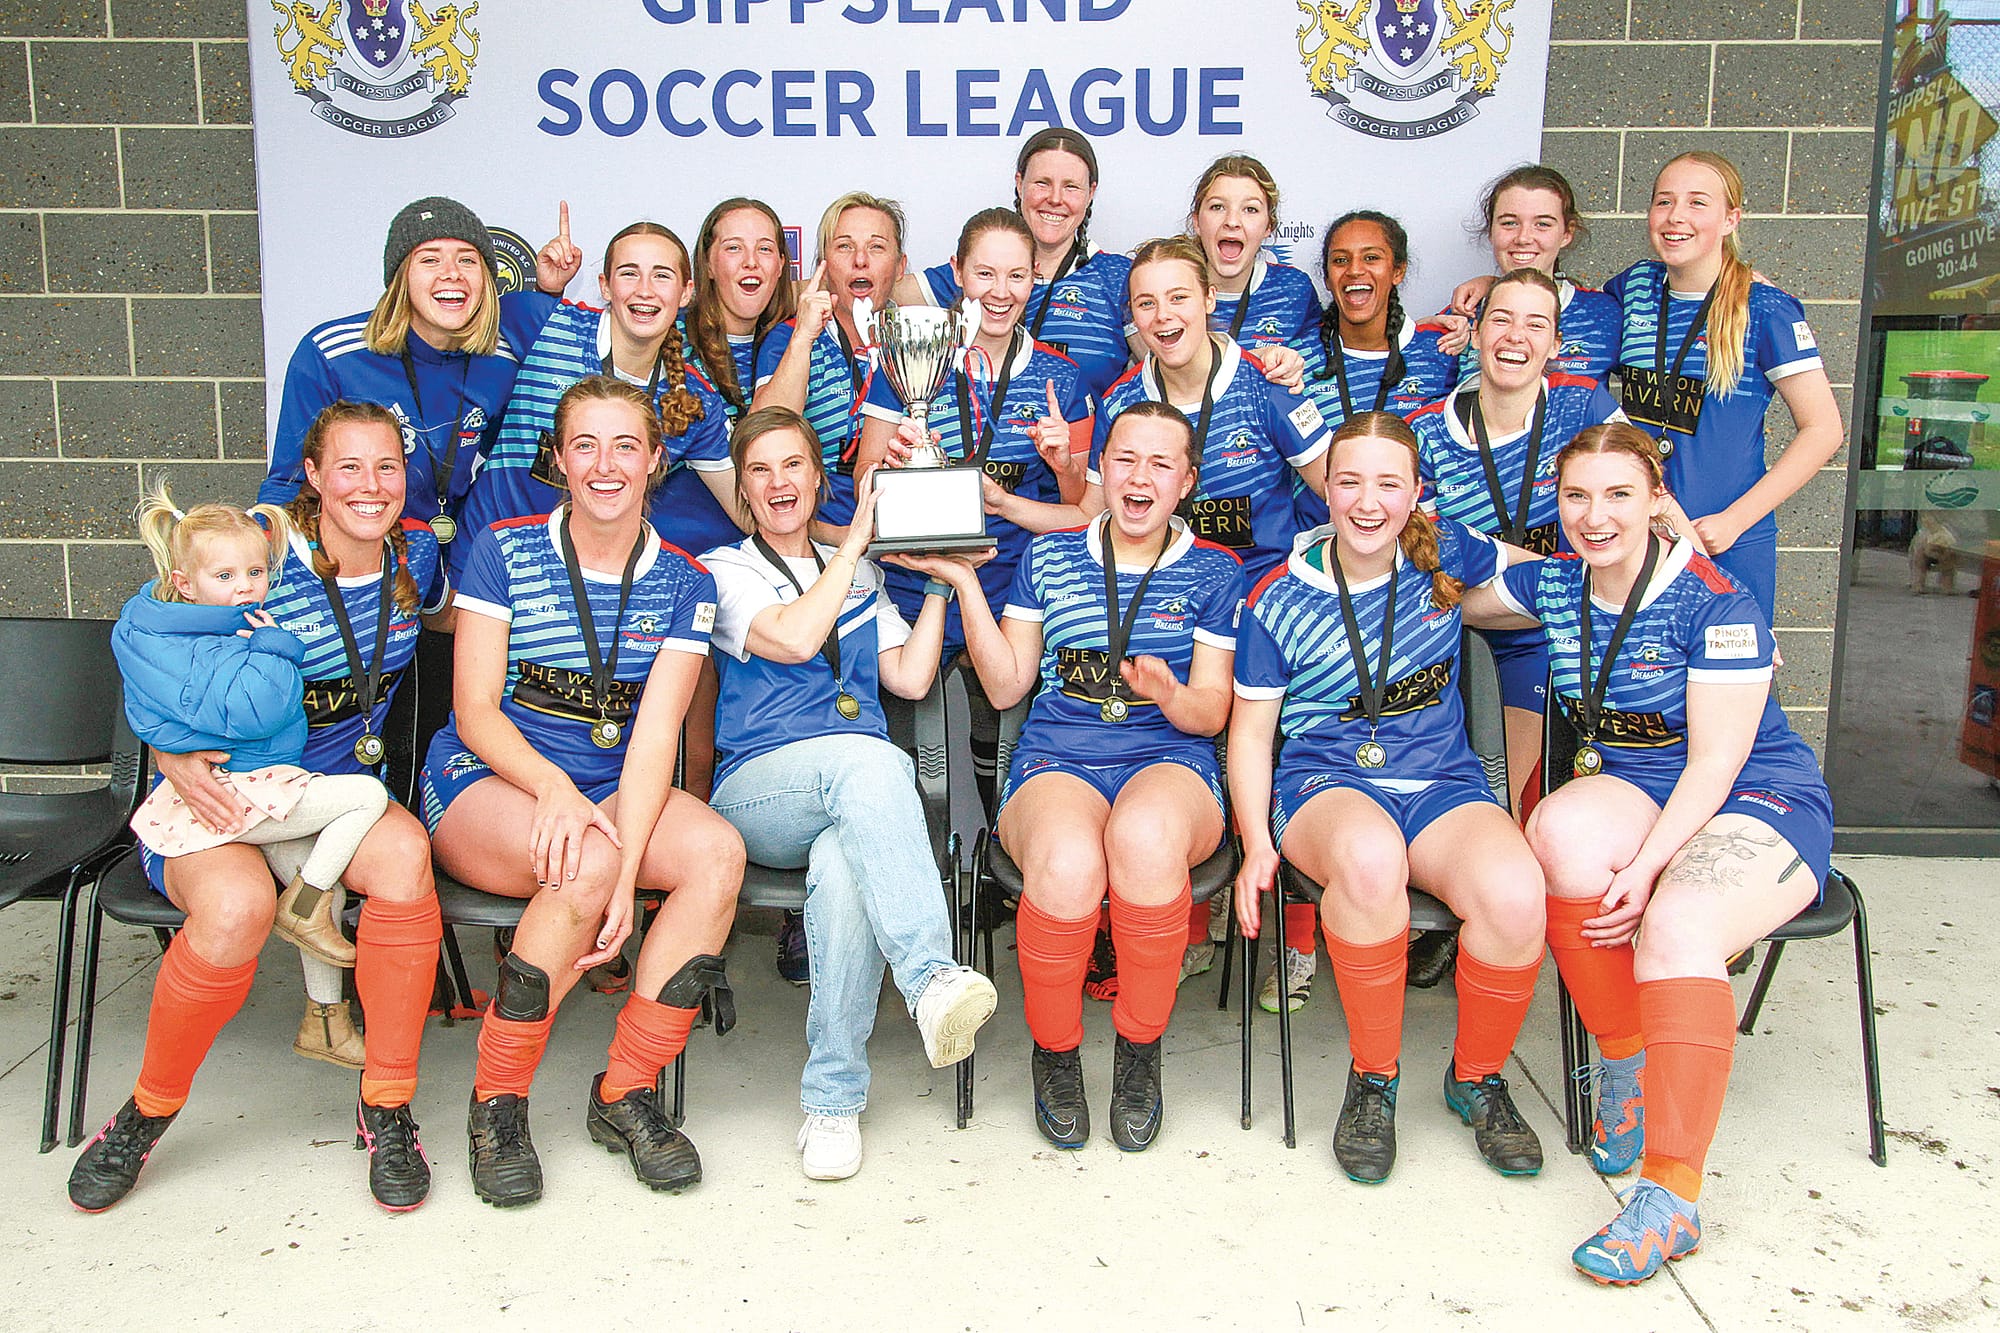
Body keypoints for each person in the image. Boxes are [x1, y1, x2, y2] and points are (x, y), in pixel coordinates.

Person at [1462, 421, 1832, 1284]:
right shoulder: (1558, 583)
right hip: (1643, 787)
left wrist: (1644, 867)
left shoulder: (1717, 603)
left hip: (1754, 795)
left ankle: (1670, 1200)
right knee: (1554, 835)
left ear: (1658, 498)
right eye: (1577, 496)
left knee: (1674, 926)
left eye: (1619, 495)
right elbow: (1463, 584)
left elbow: (1715, 763)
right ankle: (1624, 1056)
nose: (1596, 516)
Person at [70, 402, 448, 1213]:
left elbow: (470, 617)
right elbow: (150, 638)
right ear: (311, 475)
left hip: (326, 795)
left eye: (387, 466)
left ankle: (386, 1104)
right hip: (218, 787)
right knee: (237, 907)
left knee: (406, 857)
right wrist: (167, 748)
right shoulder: (263, 551)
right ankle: (146, 1110)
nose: (371, 485)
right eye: (348, 467)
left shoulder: (417, 552)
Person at [423, 376, 745, 1207]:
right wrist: (555, 788)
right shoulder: (503, 548)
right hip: (489, 777)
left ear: (656, 460)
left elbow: (655, 738)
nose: (606, 465)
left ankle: (626, 1090)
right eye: (586, 446)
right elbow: (475, 709)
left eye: (625, 446)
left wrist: (630, 877)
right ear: (560, 459)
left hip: (609, 787)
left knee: (715, 854)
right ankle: (497, 1102)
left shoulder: (685, 581)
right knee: (585, 861)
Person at [1231, 411, 1547, 1184]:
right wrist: (1255, 845)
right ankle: (1374, 1078)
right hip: (1325, 785)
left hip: (1441, 782)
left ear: (1416, 493)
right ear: (1326, 489)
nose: (1367, 502)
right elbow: (1249, 736)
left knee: (1515, 892)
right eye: (1349, 482)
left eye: (1387, 484)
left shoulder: (1445, 549)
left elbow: (1555, 577)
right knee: (1371, 862)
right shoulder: (1277, 594)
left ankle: (1476, 1076)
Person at [703, 406, 998, 1181]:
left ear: (816, 477)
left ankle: (832, 1101)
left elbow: (910, 676)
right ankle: (929, 975)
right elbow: (797, 636)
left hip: (851, 798)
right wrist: (859, 542)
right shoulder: (726, 570)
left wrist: (941, 581)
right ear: (743, 490)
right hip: (760, 791)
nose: (778, 482)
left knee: (843, 864)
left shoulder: (860, 575)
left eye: (792, 465)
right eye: (759, 470)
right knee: (873, 763)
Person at [954, 402, 1246, 1151]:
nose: (1139, 477)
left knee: (1143, 839)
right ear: (1101, 468)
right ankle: (1055, 1053)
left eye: (1160, 464)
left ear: (1186, 481)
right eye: (1125, 458)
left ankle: (1139, 1049)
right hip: (1059, 756)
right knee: (1068, 860)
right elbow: (1007, 687)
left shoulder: (1216, 570)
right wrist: (962, 583)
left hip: (1170, 758)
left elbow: (1212, 711)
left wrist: (1169, 693)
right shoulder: (1049, 557)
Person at [118, 484, 393, 1041]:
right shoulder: (203, 638)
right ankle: (302, 910)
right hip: (235, 789)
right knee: (366, 797)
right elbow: (256, 711)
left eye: (255, 572)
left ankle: (326, 1023)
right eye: (225, 576)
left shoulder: (189, 624)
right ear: (184, 583)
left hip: (257, 781)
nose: (245, 586)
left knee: (318, 882)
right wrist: (278, 648)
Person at [858, 206, 1093, 809]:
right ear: (958, 272)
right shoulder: (906, 355)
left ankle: (994, 852)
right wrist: (894, 466)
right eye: (985, 273)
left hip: (1010, 587)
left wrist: (1063, 466)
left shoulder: (1061, 378)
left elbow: (1083, 511)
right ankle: (925, 858)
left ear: (1035, 277)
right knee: (910, 753)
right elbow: (864, 479)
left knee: (1003, 743)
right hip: (914, 580)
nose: (1000, 291)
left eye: (1016, 275)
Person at [259, 196, 576, 574]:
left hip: (460, 566)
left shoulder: (501, 358)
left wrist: (546, 296)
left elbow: (515, 459)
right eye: (430, 260)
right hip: (363, 567)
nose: (452, 273)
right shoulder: (333, 354)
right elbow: (288, 483)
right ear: (401, 277)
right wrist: (267, 568)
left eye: (467, 260)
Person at [1408, 267, 1626, 811]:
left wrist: (1720, 599)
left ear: (1556, 344)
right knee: (1466, 798)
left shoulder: (1583, 404)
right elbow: (1430, 566)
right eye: (1501, 320)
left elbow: (1653, 505)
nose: (1515, 337)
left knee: (1526, 799)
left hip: (1554, 630)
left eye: (1535, 325)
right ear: (1477, 333)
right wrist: (1550, 575)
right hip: (1459, 628)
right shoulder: (1426, 430)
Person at [1602, 152, 1843, 621]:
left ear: (1731, 219)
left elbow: (1824, 430)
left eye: (1697, 203)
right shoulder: (1633, 287)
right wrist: (1491, 284)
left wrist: (1735, 521)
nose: (1676, 216)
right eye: (1664, 201)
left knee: (1734, 665)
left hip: (1725, 537)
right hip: (1636, 533)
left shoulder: (1766, 309)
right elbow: (1555, 319)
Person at [462, 218, 743, 559]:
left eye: (661, 275)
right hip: (488, 558)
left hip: (588, 577)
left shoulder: (693, 400)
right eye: (629, 273)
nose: (645, 290)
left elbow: (748, 511)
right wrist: (546, 291)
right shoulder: (544, 322)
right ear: (605, 286)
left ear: (686, 292)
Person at [910, 129, 1136, 402]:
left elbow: (1167, 368)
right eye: (1042, 183)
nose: (1055, 198)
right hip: (983, 428)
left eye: (1071, 186)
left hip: (1081, 429)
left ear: (1091, 193)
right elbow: (882, 289)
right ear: (1019, 184)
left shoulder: (1118, 278)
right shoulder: (974, 276)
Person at [753, 192, 911, 529]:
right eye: (844, 246)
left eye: (876, 247)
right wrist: (804, 338)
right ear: (823, 266)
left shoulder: (922, 341)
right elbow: (761, 436)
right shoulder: (789, 338)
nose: (860, 260)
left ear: (900, 267)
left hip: (907, 529)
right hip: (816, 536)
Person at [1436, 165, 1623, 385]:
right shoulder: (1461, 315)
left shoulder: (1604, 314)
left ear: (1567, 233)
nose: (1523, 238)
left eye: (1542, 224)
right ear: (1491, 230)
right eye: (1509, 223)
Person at [1187, 154, 1323, 353]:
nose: (1232, 221)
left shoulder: (1293, 289)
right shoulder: (1171, 289)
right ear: (1197, 222)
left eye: (1250, 209)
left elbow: (1313, 364)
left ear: (1269, 226)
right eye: (1217, 207)